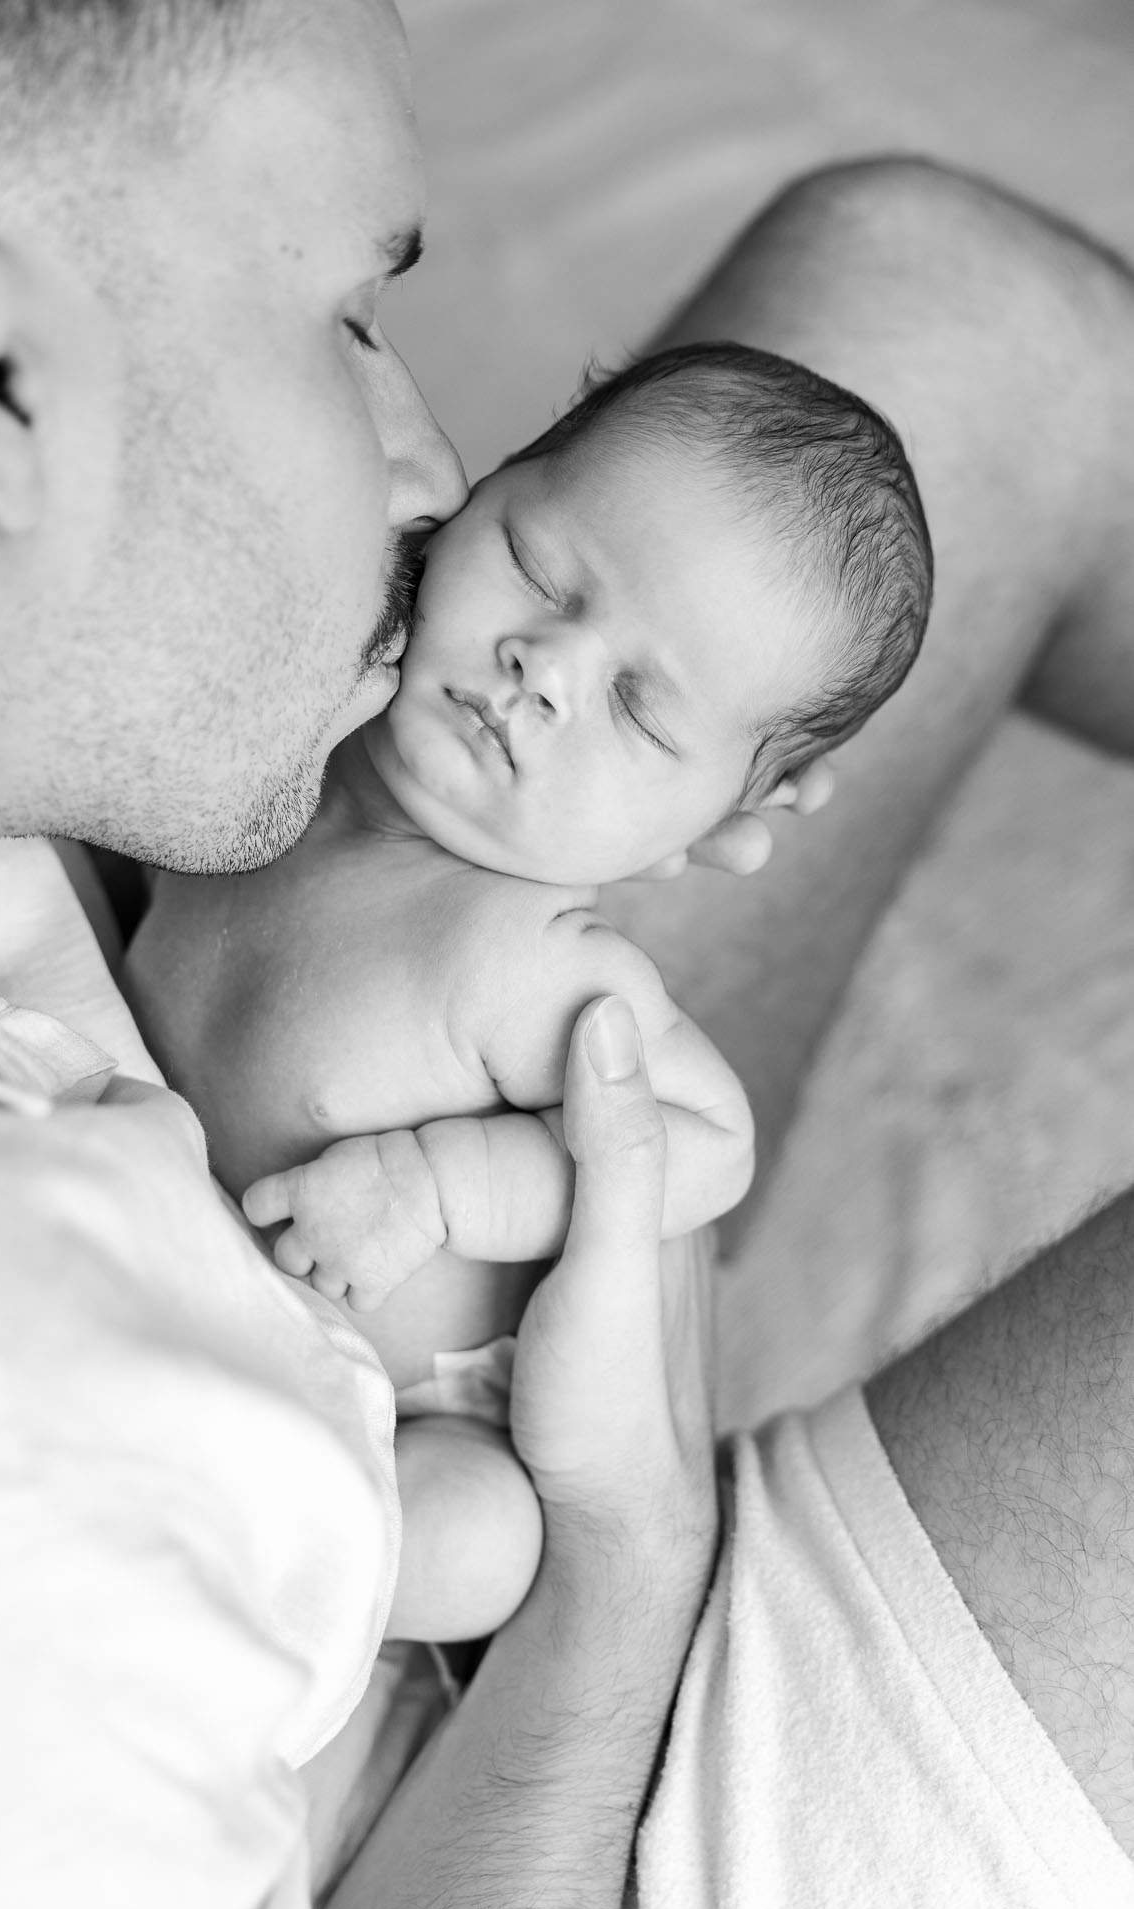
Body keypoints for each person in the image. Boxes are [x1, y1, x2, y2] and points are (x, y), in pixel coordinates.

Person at [0, 0, 1131, 1909]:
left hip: (329, 1181)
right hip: (492, 1847)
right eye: (345, 317)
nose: (427, 463)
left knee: (939, 307)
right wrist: (620, 1551)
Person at [127, 339, 932, 1644]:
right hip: (145, 1275)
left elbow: (705, 1143)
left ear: (718, 822)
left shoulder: (543, 964)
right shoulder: (291, 736)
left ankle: (216, 1596)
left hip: (394, 1416)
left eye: (640, 708)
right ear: (481, 488)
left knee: (479, 1538)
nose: (544, 666)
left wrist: (438, 1186)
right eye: (542, 571)